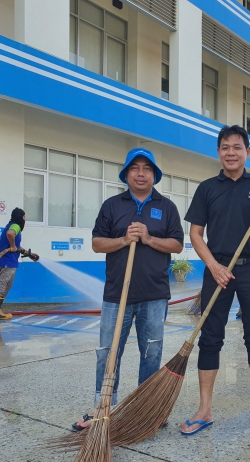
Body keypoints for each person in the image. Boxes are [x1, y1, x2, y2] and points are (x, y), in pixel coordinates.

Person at [180, 125, 250, 436]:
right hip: (218, 269)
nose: (231, 152)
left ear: (247, 152)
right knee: (210, 336)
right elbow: (195, 234)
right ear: (218, 152)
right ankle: (204, 410)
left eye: (237, 147)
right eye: (225, 147)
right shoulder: (207, 188)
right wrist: (213, 266)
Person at [72, 148, 184, 431]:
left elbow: (177, 244)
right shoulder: (112, 205)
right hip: (116, 294)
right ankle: (102, 406)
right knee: (107, 352)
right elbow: (97, 243)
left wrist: (148, 238)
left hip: (154, 295)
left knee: (152, 352)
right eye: (135, 168)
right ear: (126, 174)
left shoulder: (167, 207)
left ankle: (145, 409)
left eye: (147, 168)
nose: (141, 173)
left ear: (154, 174)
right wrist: (124, 240)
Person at [0, 208, 38, 320]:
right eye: (24, 217)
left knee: (2, 284)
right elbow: (10, 234)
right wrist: (13, 246)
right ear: (21, 217)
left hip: (5, 261)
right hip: (8, 261)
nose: (25, 219)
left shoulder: (10, 225)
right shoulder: (15, 226)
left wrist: (29, 254)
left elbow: (16, 246)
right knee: (4, 284)